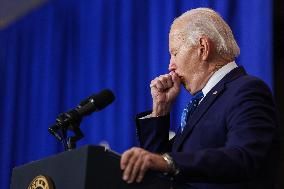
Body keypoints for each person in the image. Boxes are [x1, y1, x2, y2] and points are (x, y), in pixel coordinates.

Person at [120, 8, 279, 189]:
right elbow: (157, 176)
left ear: (203, 48)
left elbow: (243, 157)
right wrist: (160, 110)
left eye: (175, 53)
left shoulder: (247, 90)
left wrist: (169, 161)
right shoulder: (201, 104)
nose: (170, 65)